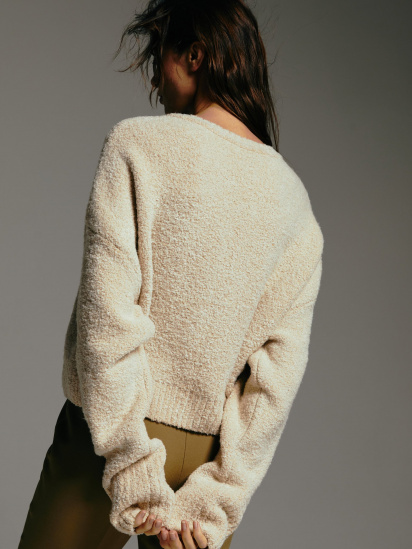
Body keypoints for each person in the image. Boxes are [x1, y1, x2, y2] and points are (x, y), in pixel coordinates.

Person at [17, 1, 325, 549]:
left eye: (159, 58)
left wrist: (130, 460)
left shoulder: (138, 146)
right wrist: (219, 498)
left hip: (111, 437)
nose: (156, 81)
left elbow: (107, 318)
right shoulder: (294, 204)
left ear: (195, 56)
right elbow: (275, 382)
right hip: (207, 460)